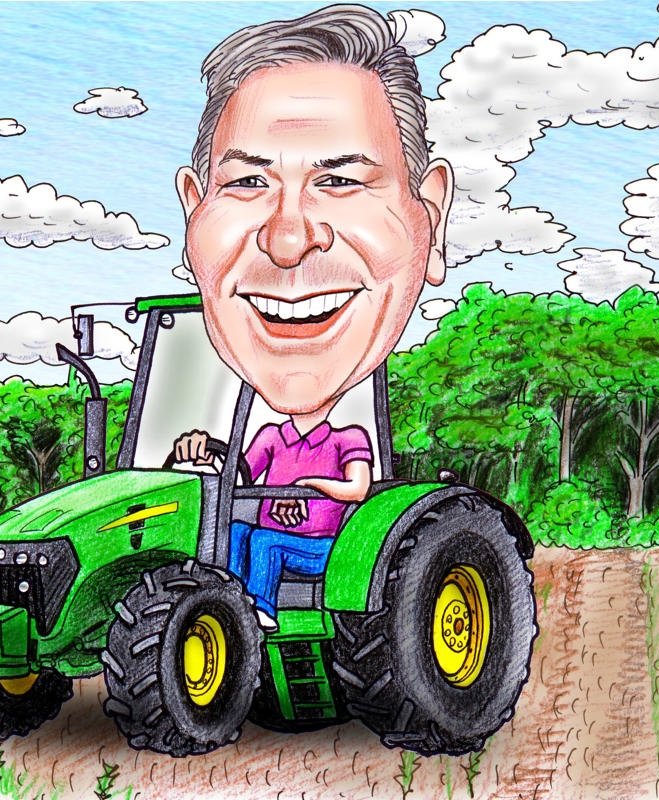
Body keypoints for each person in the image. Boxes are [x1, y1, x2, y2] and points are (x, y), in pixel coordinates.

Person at [172, 4, 453, 630]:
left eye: (342, 181)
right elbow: (236, 476)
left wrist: (310, 493)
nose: (287, 241)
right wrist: (202, 453)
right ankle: (231, 614)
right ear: (194, 218)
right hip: (267, 539)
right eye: (248, 183)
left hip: (324, 546)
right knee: (233, 541)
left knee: (264, 546)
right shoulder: (268, 440)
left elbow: (355, 489)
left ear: (430, 223)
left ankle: (251, 614)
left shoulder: (349, 440)